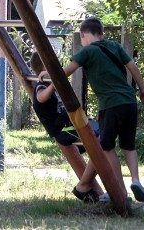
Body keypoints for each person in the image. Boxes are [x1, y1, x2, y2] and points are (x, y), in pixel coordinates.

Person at [38, 17, 144, 202]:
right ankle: (136, 180)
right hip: (130, 102)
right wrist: (143, 90)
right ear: (102, 33)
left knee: (106, 147)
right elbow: (132, 66)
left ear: (83, 35)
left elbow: (66, 72)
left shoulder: (87, 51)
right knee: (128, 145)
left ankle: (120, 191)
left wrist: (48, 75)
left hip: (110, 105)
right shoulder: (114, 46)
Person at [29, 52, 104, 201]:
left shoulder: (49, 82)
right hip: (63, 132)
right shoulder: (42, 85)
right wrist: (53, 84)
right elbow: (41, 97)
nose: (57, 67)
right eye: (53, 64)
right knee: (102, 141)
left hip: (68, 128)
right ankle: (85, 184)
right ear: (45, 67)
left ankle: (88, 184)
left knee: (102, 137)